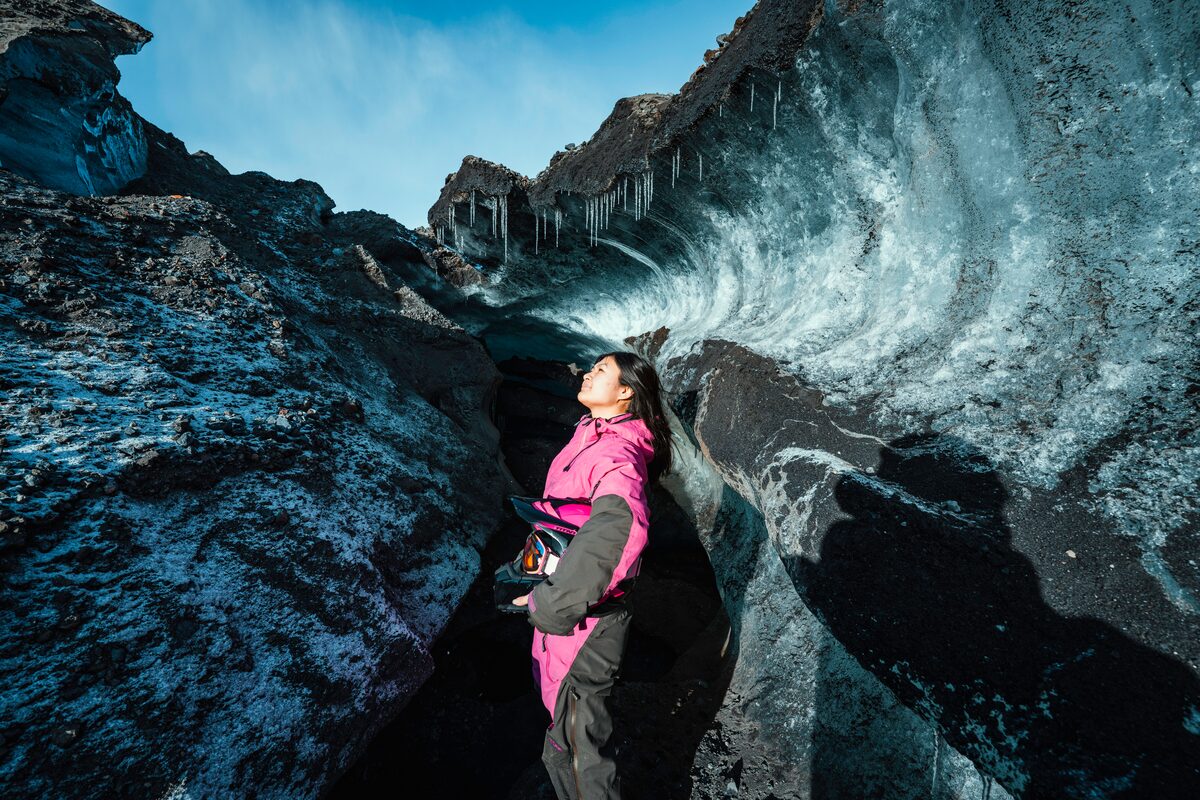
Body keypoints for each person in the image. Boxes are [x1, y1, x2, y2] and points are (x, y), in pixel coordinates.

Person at [512, 350, 673, 800]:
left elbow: (619, 526)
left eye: (601, 370)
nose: (587, 372)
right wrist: (528, 571)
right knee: (566, 733)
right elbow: (569, 518)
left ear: (626, 392)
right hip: (569, 610)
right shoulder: (590, 433)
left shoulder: (616, 448)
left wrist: (552, 602)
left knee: (583, 748)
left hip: (584, 621)